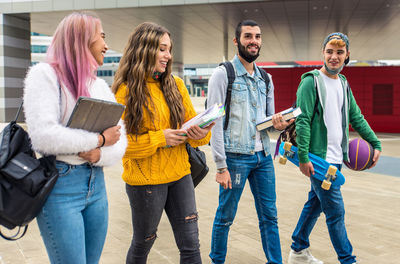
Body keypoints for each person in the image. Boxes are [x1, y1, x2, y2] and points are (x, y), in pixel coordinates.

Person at [23, 12, 127, 264]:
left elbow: (121, 138)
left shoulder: (98, 86)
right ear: (81, 39)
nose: (106, 45)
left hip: (96, 186)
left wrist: (100, 153)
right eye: (101, 37)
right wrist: (98, 141)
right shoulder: (44, 75)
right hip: (60, 187)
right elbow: (44, 137)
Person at [112, 22, 213, 264]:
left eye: (169, 49)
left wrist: (202, 133)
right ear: (144, 50)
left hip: (181, 175)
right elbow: (119, 145)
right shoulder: (125, 92)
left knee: (191, 245)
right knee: (143, 242)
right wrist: (160, 138)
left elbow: (195, 131)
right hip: (146, 183)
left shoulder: (176, 85)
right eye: (162, 49)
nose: (168, 56)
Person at [287, 32, 382, 264]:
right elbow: (303, 120)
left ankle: (298, 250)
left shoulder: (343, 83)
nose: (334, 57)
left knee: (315, 204)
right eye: (329, 51)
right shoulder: (310, 82)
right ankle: (347, 260)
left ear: (347, 55)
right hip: (319, 161)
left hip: (337, 159)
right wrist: (303, 158)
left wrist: (376, 143)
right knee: (336, 213)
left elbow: (356, 117)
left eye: (339, 52)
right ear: (323, 53)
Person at [207, 19, 292, 264]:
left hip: (263, 157)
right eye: (247, 36)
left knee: (269, 216)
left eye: (257, 36)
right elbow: (214, 122)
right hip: (234, 158)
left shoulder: (266, 79)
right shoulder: (224, 74)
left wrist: (277, 123)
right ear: (237, 41)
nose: (253, 41)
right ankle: (217, 261)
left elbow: (266, 121)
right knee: (225, 216)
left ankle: (275, 262)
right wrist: (221, 166)